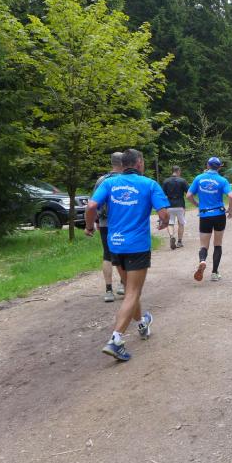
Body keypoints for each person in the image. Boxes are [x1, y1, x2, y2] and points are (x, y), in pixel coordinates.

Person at [85, 149, 170, 362]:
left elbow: (92, 205)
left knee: (131, 288)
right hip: (137, 245)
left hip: (115, 244)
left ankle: (142, 323)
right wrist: (164, 222)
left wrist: (89, 226)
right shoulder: (149, 184)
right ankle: (116, 340)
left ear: (123, 164)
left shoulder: (109, 183)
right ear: (139, 163)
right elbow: (163, 213)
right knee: (132, 292)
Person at [187, 157, 232, 282]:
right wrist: (230, 210)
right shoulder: (222, 180)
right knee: (217, 244)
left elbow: (189, 195)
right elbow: (231, 196)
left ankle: (202, 260)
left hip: (205, 215)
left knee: (204, 245)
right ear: (219, 167)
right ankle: (214, 273)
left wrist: (197, 204)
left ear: (208, 165)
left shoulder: (198, 178)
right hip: (219, 214)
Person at [94, 152, 126, 302]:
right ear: (123, 163)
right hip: (123, 223)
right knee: (124, 253)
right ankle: (123, 284)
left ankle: (108, 291)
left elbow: (94, 203)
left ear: (112, 163)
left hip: (105, 222)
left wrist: (96, 220)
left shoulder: (102, 180)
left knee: (107, 254)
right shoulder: (126, 180)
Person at [162, 165, 189, 249]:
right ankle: (179, 242)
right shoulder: (182, 181)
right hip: (180, 204)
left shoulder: (166, 181)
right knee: (181, 223)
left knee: (170, 223)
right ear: (178, 171)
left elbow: (163, 195)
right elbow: (189, 193)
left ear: (172, 171)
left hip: (169, 205)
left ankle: (171, 236)